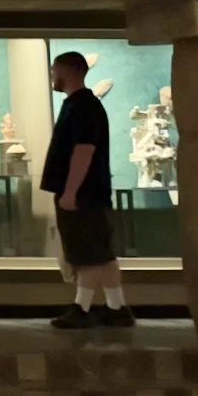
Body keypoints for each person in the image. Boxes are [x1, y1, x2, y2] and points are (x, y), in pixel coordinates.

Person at [43, 51, 132, 329]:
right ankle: (117, 307)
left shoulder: (82, 107)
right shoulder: (82, 105)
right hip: (90, 192)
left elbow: (84, 150)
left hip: (83, 194)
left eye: (55, 70)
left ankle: (81, 308)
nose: (52, 76)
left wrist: (71, 191)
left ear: (67, 71)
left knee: (87, 253)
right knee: (101, 253)